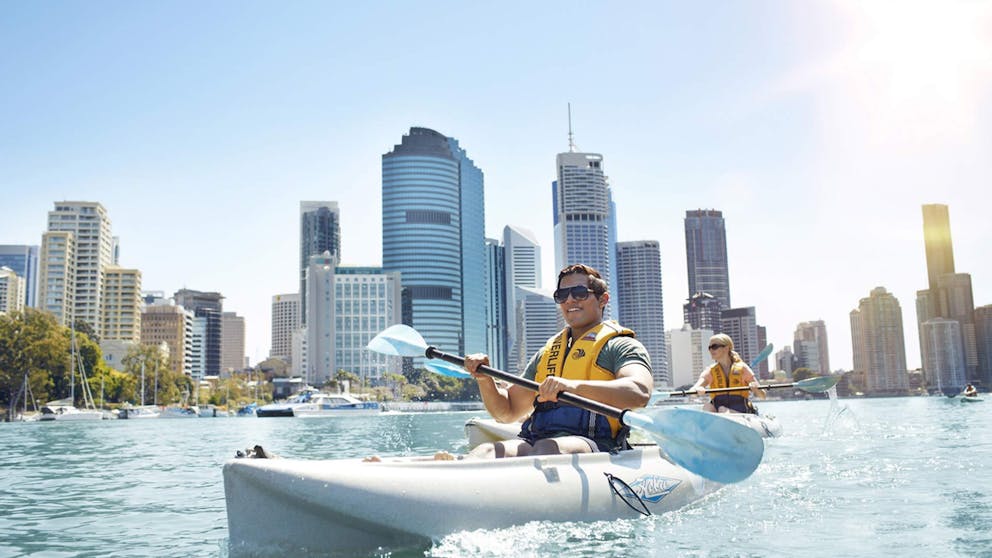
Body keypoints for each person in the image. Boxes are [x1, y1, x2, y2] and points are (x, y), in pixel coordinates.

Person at [462, 263, 654, 458]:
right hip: (536, 441)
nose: (569, 300)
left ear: (603, 299)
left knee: (547, 449)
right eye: (562, 295)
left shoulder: (620, 345)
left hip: (596, 444)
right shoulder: (547, 353)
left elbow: (639, 392)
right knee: (485, 451)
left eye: (579, 292)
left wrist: (570, 387)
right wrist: (484, 379)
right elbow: (507, 412)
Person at [690, 333, 762, 414]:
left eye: (714, 347)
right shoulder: (710, 371)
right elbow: (694, 388)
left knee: (722, 409)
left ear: (726, 348)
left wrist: (756, 389)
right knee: (707, 407)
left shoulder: (743, 369)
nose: (711, 350)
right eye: (709, 348)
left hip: (741, 412)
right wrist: (697, 390)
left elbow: (763, 395)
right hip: (720, 413)